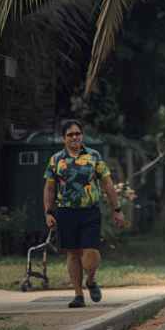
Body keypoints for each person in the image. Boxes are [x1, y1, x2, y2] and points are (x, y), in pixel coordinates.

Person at [43, 120, 125, 308]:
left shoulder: (94, 156)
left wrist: (117, 209)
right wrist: (48, 212)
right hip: (65, 212)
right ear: (63, 138)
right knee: (72, 253)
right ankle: (78, 295)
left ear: (82, 135)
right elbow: (49, 188)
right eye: (70, 134)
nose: (75, 137)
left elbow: (107, 183)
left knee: (91, 251)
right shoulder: (56, 160)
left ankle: (91, 279)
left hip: (90, 211)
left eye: (77, 133)